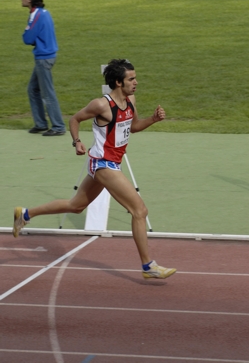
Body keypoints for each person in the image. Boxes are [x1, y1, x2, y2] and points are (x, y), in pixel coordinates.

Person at [13, 59, 176, 280]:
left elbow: (133, 126)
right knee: (140, 210)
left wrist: (153, 120)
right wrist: (77, 141)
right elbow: (75, 119)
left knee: (76, 206)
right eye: (131, 79)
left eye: (135, 78)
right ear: (118, 82)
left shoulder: (130, 101)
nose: (136, 82)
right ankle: (148, 266)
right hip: (102, 164)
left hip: (112, 163)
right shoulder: (101, 105)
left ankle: (25, 214)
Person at [21, 0, 66, 136]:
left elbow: (28, 38)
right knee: (33, 89)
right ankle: (40, 123)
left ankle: (58, 126)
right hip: (47, 56)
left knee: (47, 93)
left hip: (43, 58)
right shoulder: (44, 13)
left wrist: (27, 34)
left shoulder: (36, 15)